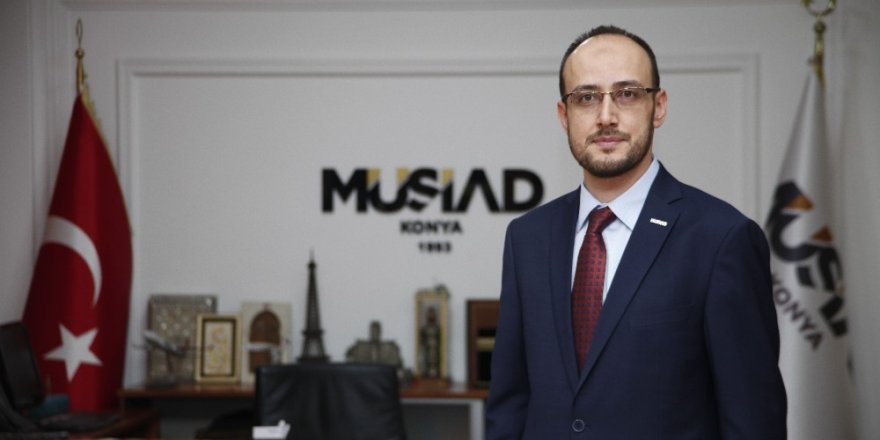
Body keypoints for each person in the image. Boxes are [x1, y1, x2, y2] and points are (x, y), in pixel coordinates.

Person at [486, 25, 787, 439]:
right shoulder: (527, 238)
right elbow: (509, 404)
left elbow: (752, 420)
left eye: (627, 94)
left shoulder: (722, 239)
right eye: (586, 97)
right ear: (564, 115)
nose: (606, 116)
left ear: (658, 107)